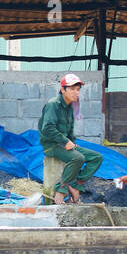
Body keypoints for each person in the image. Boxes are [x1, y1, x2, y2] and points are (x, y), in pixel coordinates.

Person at [39, 74, 102, 204]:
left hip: (64, 144)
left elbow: (70, 132)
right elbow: (47, 128)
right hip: (52, 145)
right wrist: (65, 141)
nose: (76, 92)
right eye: (72, 89)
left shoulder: (69, 108)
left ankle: (76, 185)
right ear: (63, 90)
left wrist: (72, 143)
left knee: (96, 157)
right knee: (78, 158)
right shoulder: (53, 105)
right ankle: (61, 190)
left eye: (78, 89)